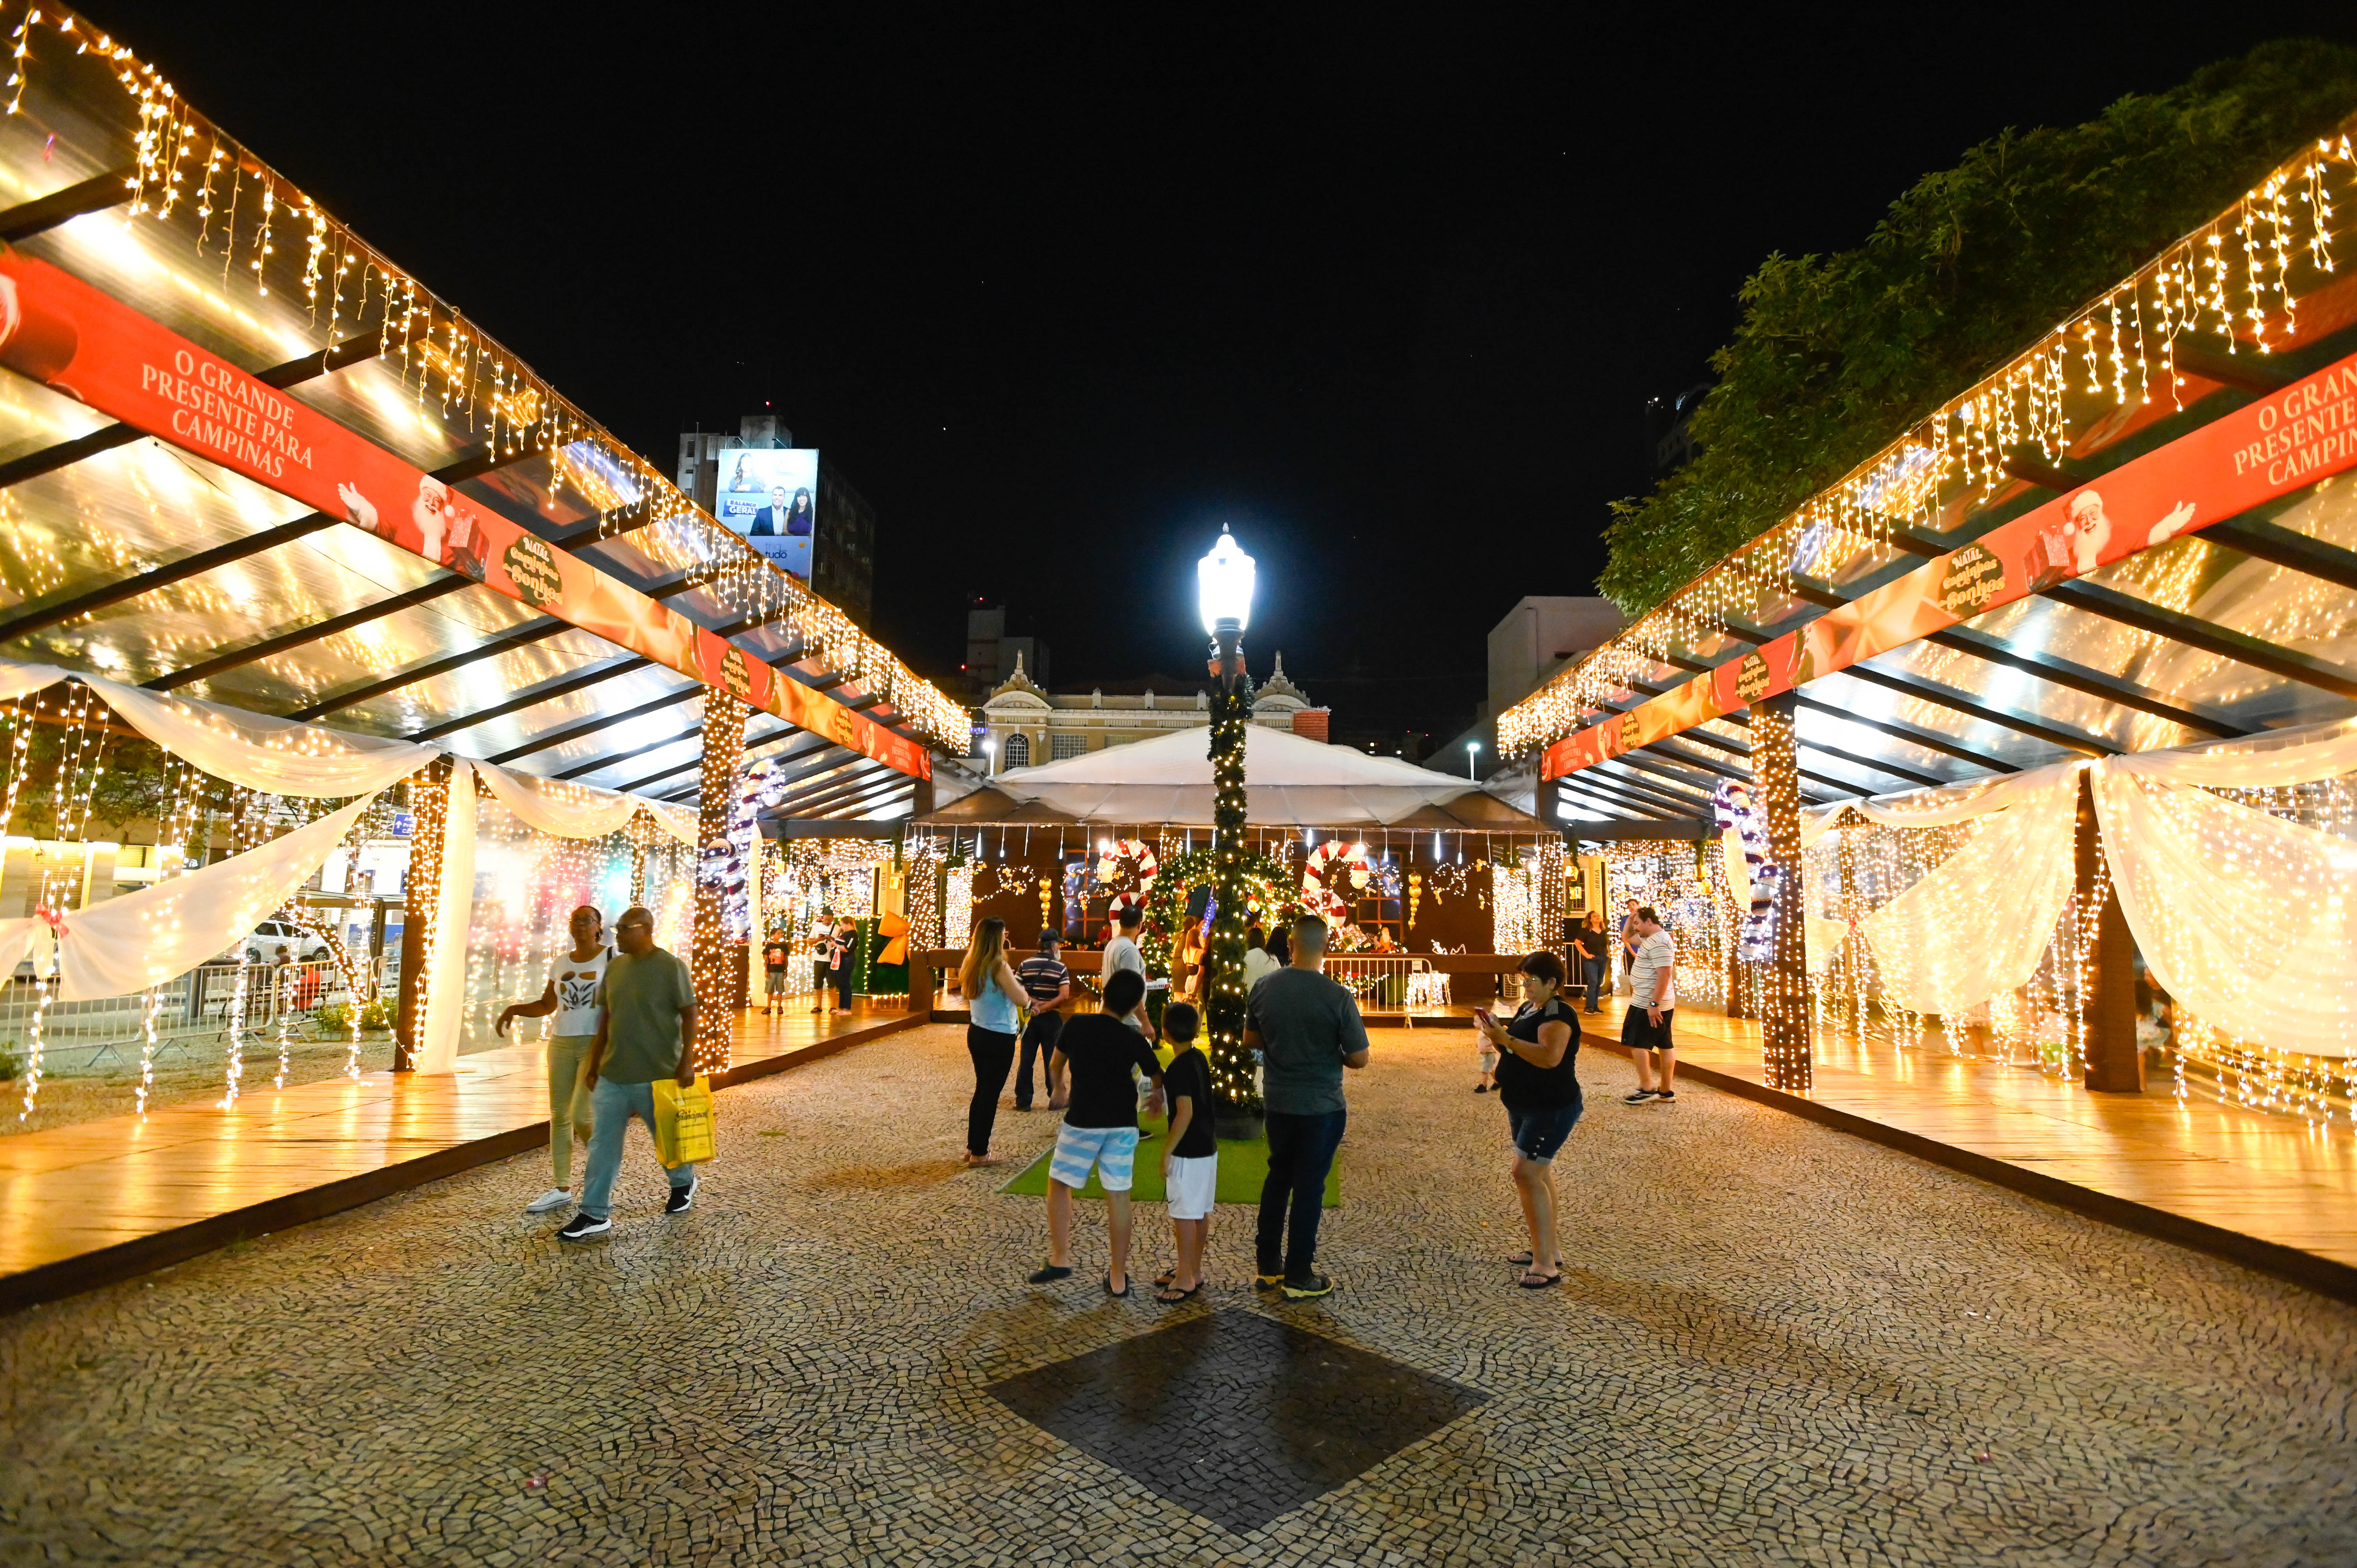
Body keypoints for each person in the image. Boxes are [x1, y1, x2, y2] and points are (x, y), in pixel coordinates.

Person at [1244, 914, 1371, 1299]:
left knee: (1278, 1178)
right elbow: (1360, 1057)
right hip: (1321, 1105)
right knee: (1309, 1188)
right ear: (1326, 948)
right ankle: (1300, 1273)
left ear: (1291, 946)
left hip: (1279, 1100)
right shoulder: (1338, 996)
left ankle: (1268, 1264)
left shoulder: (1265, 987)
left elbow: (1251, 1039)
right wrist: (1332, 1054)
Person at [558, 906, 698, 1241]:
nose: (616, 934)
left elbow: (690, 1013)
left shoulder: (671, 967)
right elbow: (606, 1018)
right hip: (614, 1073)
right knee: (603, 1145)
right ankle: (594, 1213)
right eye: (616, 928)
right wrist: (595, 1065)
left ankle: (683, 1182)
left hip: (658, 1072)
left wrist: (687, 1061)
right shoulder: (616, 968)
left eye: (623, 928)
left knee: (665, 1137)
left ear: (645, 929)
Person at [1029, 969, 1164, 1296]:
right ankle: (1118, 1278)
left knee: (1060, 1182)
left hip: (1083, 1121)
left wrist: (1059, 1088)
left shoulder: (1077, 1025)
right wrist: (1156, 1097)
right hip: (1123, 1124)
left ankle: (1060, 1257)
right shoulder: (1132, 1037)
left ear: (1104, 993)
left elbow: (1056, 1063)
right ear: (1133, 1007)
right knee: (1118, 1194)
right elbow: (1157, 1073)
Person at [497, 905, 612, 1216]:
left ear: (599, 927)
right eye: (576, 920)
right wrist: (515, 1010)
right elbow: (548, 1005)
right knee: (559, 1115)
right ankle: (562, 1188)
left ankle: (604, 1170)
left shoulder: (611, 957)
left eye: (587, 920)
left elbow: (619, 1003)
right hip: (561, 1042)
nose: (580, 925)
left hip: (593, 1043)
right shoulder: (561, 962)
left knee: (581, 1115)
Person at [1478, 951, 1581, 1288]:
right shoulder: (1529, 1008)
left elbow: (1550, 1058)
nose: (1525, 987)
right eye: (1523, 980)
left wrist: (1506, 1039)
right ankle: (1548, 1250)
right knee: (1540, 1172)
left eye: (1532, 980)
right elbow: (1516, 1050)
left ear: (1552, 983)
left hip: (1549, 1106)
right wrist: (1498, 1036)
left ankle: (1545, 1265)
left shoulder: (1558, 1014)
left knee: (1526, 1173)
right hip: (1523, 1103)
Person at [1154, 1001, 1216, 1304]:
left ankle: (1185, 1278)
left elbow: (1185, 1112)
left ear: (1165, 1032)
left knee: (1183, 1216)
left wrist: (1168, 1151)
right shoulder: (1197, 1058)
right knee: (1200, 1212)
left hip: (1187, 1153)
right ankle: (1194, 1269)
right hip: (1207, 1147)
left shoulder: (1179, 1068)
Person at [958, 918, 1025, 1166]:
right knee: (990, 1094)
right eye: (1004, 933)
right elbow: (1020, 998)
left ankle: (972, 1147)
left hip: (977, 1030)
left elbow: (965, 994)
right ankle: (980, 1152)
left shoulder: (971, 962)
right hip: (999, 1035)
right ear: (998, 937)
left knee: (982, 1091)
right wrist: (1026, 994)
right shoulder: (998, 965)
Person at [1624, 906, 1678, 1105]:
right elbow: (1627, 937)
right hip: (1652, 1001)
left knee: (1637, 1043)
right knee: (1665, 1044)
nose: (1635, 928)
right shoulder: (1650, 939)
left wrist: (1654, 1004)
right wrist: (1632, 918)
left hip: (1648, 1002)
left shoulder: (1660, 943)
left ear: (1649, 922)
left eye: (1638, 923)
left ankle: (1647, 1088)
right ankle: (1666, 1091)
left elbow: (1665, 974)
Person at [1014, 931, 1072, 1112]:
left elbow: (1017, 989)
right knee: (1052, 1060)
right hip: (1051, 1019)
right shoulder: (1060, 967)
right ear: (1053, 947)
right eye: (1058, 945)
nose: (1059, 948)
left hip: (1030, 1017)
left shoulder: (1025, 964)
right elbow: (1064, 995)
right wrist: (1046, 1006)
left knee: (1027, 1059)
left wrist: (1034, 1004)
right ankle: (1055, 1098)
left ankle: (1023, 1100)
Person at [1572, 911, 1612, 1014]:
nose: (1597, 917)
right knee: (1593, 982)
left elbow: (1606, 944)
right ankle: (1589, 1007)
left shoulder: (1604, 931)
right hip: (1591, 960)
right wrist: (1586, 955)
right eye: (1594, 916)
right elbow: (1577, 943)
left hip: (1603, 958)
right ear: (1590, 920)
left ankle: (1595, 1006)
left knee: (1599, 982)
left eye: (1598, 916)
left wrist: (1608, 954)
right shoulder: (1586, 931)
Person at [1104, 903, 1146, 987]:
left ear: (1120, 923)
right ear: (1140, 925)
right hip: (1123, 996)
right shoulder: (1129, 949)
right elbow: (1133, 986)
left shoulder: (1111, 944)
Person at [760, 926, 791, 1017]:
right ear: (773, 935)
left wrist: (786, 969)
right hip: (771, 971)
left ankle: (779, 1006)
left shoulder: (784, 946)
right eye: (778, 933)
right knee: (770, 989)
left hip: (780, 971)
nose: (781, 935)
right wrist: (766, 970)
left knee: (780, 989)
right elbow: (766, 959)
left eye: (781, 933)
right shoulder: (769, 946)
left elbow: (786, 959)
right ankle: (768, 1006)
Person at [1240, 925, 1279, 992]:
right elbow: (1279, 979)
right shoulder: (1273, 959)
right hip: (1268, 996)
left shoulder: (1244, 957)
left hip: (1248, 995)